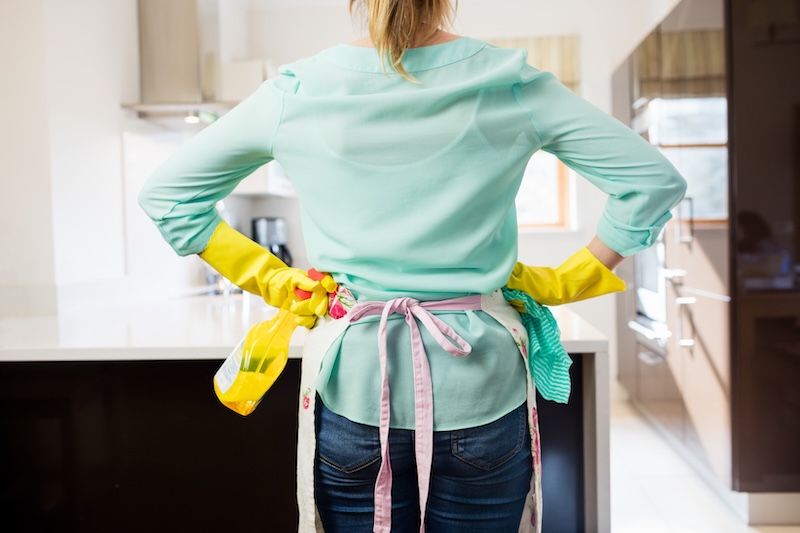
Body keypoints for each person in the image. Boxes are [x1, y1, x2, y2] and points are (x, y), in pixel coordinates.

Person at [138, 0, 687, 531]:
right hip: (485, 393)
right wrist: (568, 280)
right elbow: (652, 183)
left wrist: (278, 282)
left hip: (353, 391)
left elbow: (168, 196)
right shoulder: (510, 82)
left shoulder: (297, 92)